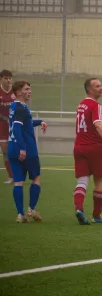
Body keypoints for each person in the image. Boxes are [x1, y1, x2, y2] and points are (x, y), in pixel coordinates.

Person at [73, 78, 102, 225]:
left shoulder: (81, 105)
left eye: (101, 85)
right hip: (94, 147)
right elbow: (98, 125)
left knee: (82, 180)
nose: (101, 88)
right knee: (99, 180)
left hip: (79, 146)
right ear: (90, 90)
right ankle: (97, 215)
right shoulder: (95, 106)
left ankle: (79, 209)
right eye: (97, 86)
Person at [8, 81, 47, 223]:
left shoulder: (14, 106)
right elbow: (17, 129)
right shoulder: (21, 108)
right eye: (26, 89)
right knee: (36, 177)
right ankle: (31, 208)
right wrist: (23, 148)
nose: (30, 91)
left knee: (18, 181)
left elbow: (24, 124)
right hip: (27, 149)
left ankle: (20, 214)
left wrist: (39, 121)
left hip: (12, 148)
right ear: (19, 93)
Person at [0, 70, 15, 184]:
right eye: (6, 78)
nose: (8, 80)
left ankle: (20, 173)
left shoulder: (15, 91)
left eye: (10, 78)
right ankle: (11, 176)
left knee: (17, 150)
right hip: (2, 125)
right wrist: (5, 119)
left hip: (15, 125)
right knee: (5, 151)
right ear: (1, 79)